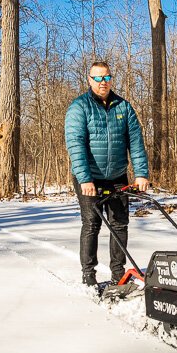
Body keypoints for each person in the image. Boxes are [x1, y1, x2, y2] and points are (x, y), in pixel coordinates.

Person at [64, 61, 150, 287]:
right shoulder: (79, 107)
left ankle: (117, 274)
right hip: (90, 178)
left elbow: (136, 143)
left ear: (111, 79)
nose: (103, 82)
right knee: (92, 224)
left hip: (117, 176)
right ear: (90, 80)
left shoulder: (124, 107)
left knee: (120, 224)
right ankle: (89, 274)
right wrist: (84, 179)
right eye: (98, 78)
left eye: (106, 77)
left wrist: (141, 173)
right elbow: (76, 145)